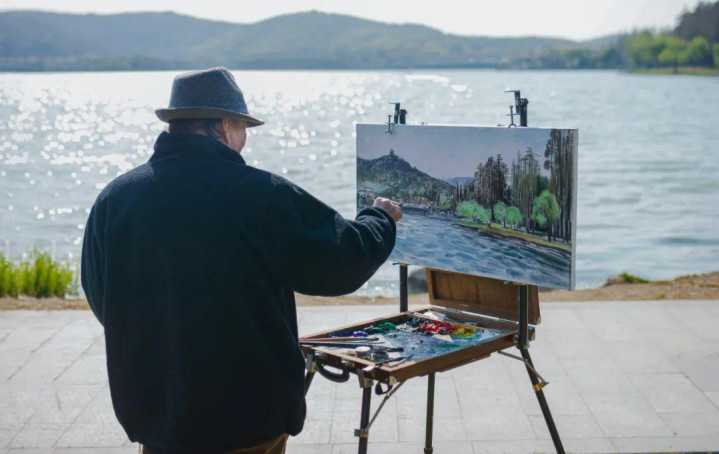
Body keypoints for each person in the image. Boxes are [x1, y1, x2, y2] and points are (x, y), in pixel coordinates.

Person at [81, 67, 401, 454]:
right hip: (246, 419)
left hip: (159, 419)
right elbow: (341, 261)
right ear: (225, 125)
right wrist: (379, 218)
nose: (245, 139)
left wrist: (165, 334)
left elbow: (101, 296)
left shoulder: (116, 199)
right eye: (244, 127)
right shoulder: (261, 195)